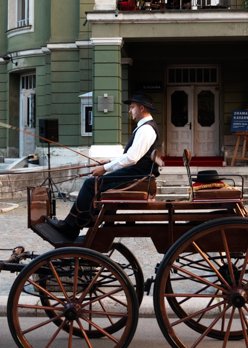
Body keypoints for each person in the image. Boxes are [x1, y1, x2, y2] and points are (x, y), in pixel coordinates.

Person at [49, 93, 163, 239]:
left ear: (141, 108)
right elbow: (133, 156)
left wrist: (105, 168)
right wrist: (109, 161)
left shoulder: (146, 129)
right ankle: (88, 221)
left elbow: (132, 158)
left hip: (137, 175)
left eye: (132, 107)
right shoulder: (144, 127)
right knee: (97, 185)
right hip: (136, 173)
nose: (130, 111)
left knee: (91, 184)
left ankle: (71, 227)